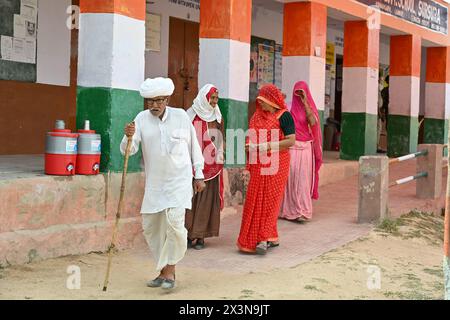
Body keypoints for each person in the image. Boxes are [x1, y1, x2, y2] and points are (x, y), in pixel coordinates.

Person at [120, 77, 206, 290]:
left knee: (175, 226)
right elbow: (128, 151)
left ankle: (169, 272)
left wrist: (199, 174)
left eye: (159, 100)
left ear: (167, 99)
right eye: (150, 101)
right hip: (155, 184)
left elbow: (194, 146)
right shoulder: (141, 119)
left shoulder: (181, 117)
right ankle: (163, 271)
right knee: (153, 227)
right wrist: (127, 137)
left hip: (180, 181)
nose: (154, 105)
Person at [237, 84, 296, 255]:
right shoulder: (257, 116)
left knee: (271, 200)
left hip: (278, 163)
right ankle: (270, 236)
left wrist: (268, 146)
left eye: (263, 101)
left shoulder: (285, 116)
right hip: (259, 163)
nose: (260, 105)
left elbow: (291, 141)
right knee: (255, 200)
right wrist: (249, 145)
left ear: (272, 101)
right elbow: (251, 135)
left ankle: (262, 238)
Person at [185, 84, 224, 250]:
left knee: (206, 201)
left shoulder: (217, 116)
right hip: (192, 164)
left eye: (216, 98)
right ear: (204, 97)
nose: (214, 102)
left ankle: (200, 236)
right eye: (212, 98)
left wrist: (221, 153)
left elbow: (221, 138)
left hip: (212, 166)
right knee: (190, 199)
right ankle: (187, 234)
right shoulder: (190, 114)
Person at [280, 81, 323, 222]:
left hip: (305, 148)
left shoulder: (310, 107)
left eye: (301, 91)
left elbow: (313, 123)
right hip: (291, 146)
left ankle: (302, 211)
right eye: (296, 91)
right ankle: (288, 211)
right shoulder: (289, 106)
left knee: (302, 180)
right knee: (290, 178)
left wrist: (305, 103)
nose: (298, 94)